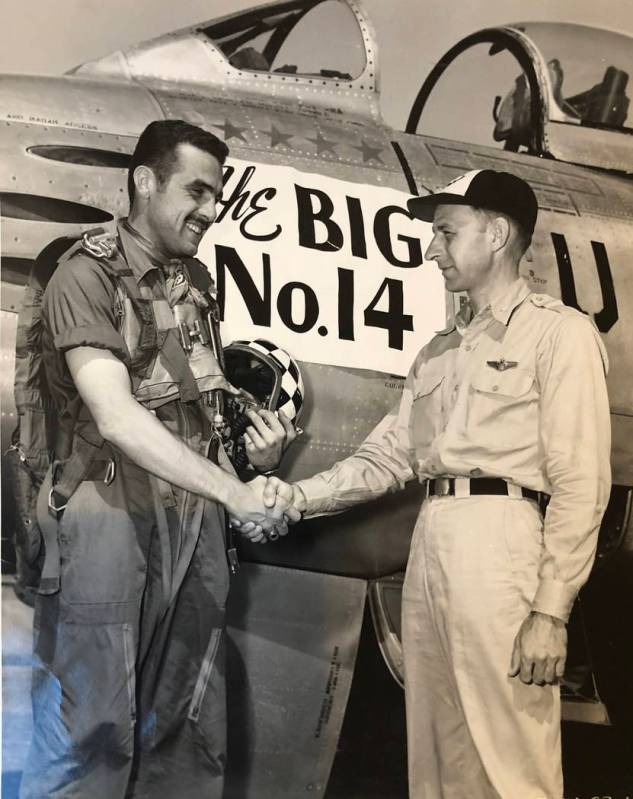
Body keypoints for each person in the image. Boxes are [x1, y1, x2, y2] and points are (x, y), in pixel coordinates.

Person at [250, 170, 612, 798]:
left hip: (502, 547)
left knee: (511, 765)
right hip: (432, 545)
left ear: (496, 233)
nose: (430, 249)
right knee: (439, 765)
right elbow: (387, 456)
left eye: (446, 232)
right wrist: (297, 497)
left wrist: (550, 611)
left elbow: (582, 484)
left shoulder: (560, 334)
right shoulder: (439, 351)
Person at [19, 119, 297, 799]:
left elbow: (198, 421)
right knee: (91, 734)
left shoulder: (194, 287)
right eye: (196, 191)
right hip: (108, 519)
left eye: (217, 196)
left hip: (192, 530)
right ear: (144, 181)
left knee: (184, 732)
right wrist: (233, 496)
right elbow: (115, 415)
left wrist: (249, 475)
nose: (210, 210)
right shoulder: (82, 275)